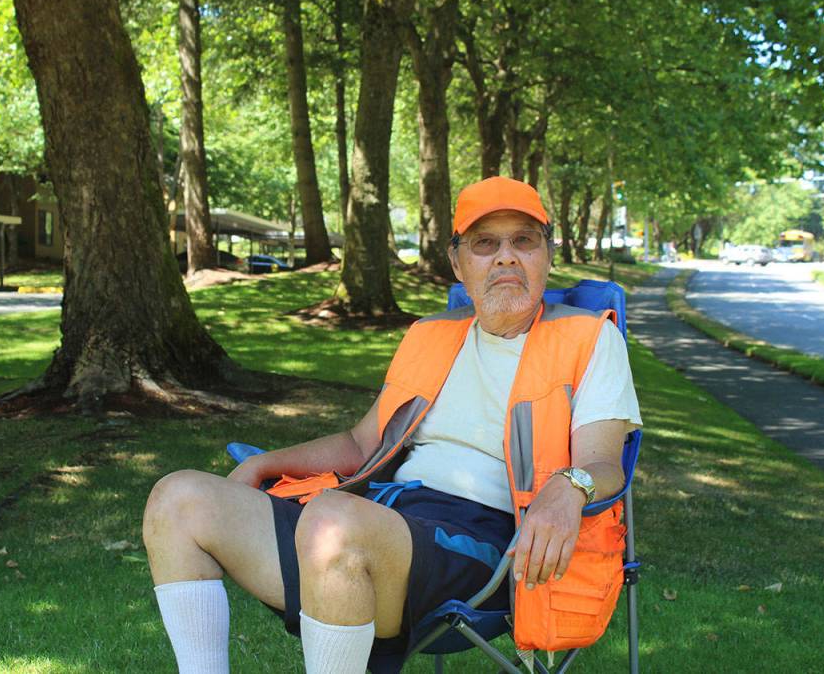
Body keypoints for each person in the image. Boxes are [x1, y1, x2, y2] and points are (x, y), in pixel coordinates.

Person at [142, 176, 642, 674]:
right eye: (485, 244)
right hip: (382, 519)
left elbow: (602, 463)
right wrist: (263, 465)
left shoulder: (588, 339)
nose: (506, 257)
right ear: (457, 263)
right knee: (178, 498)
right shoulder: (430, 335)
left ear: (547, 256)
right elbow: (362, 442)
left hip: (491, 546)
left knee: (332, 523)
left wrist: (570, 486)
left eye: (523, 241)